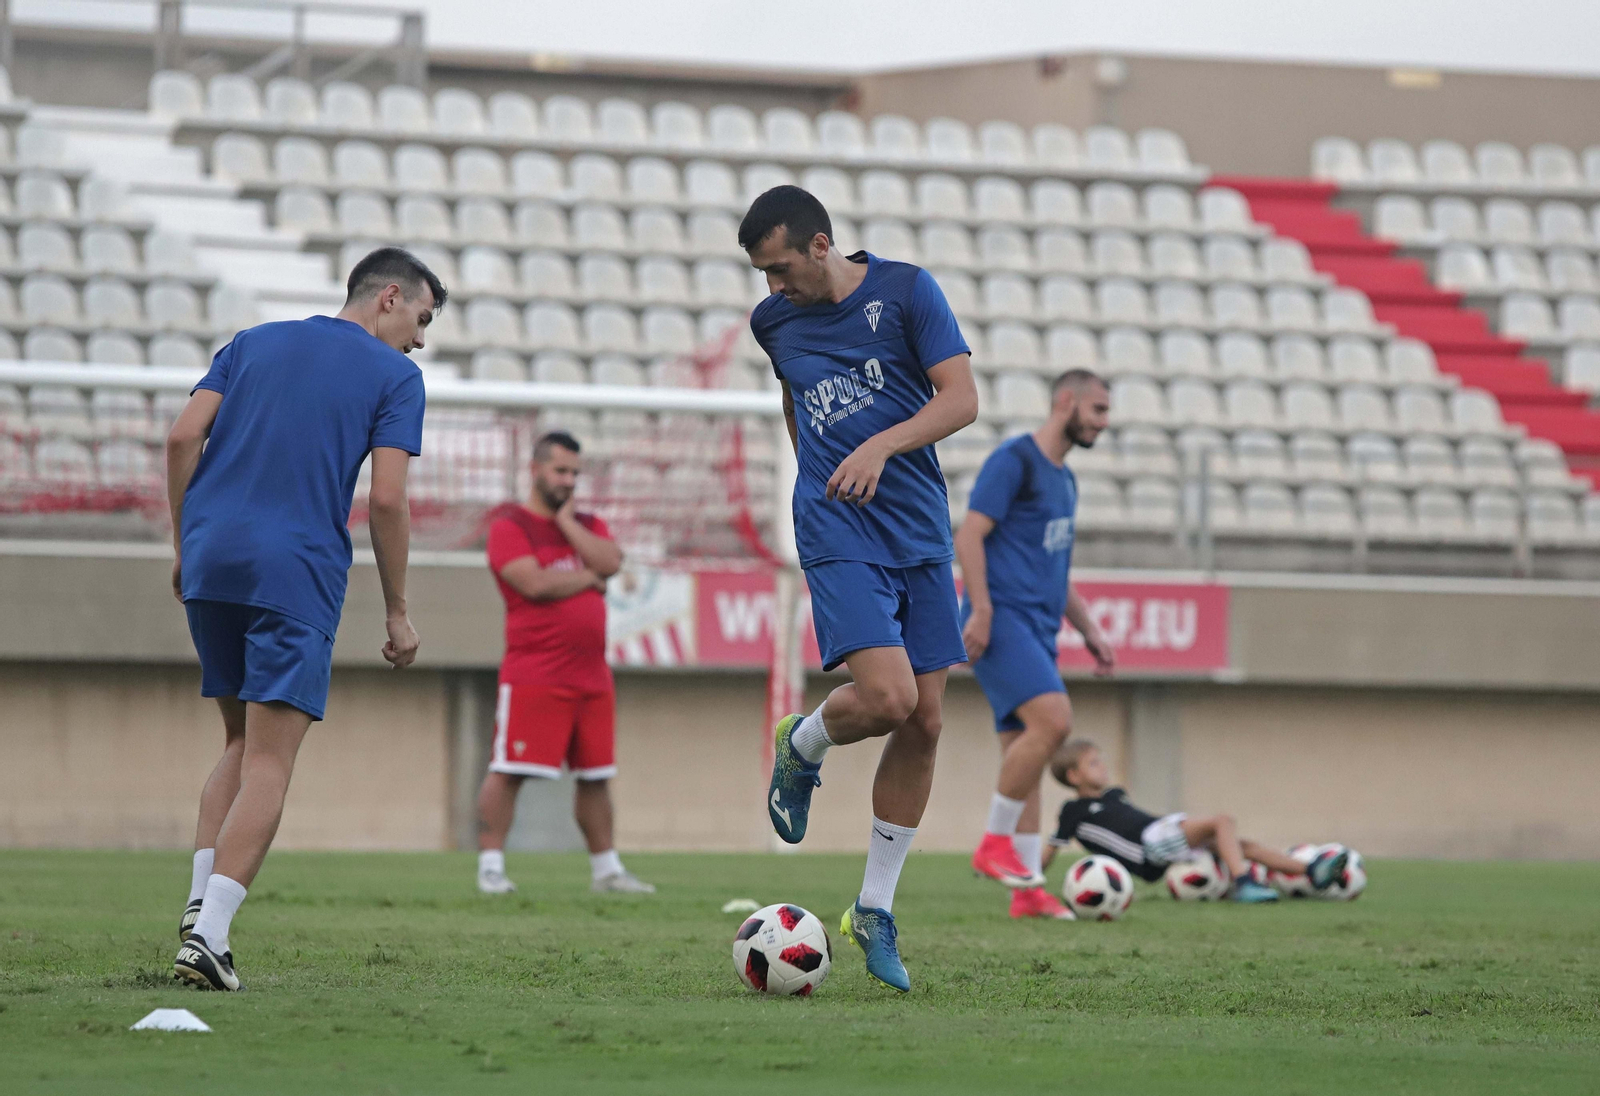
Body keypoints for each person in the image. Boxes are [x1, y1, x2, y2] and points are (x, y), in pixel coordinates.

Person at [168, 247, 441, 990]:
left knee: (234, 739)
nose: (420, 341)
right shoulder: (395, 377)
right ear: (390, 298)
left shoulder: (253, 341)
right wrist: (397, 610)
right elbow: (386, 500)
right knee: (269, 760)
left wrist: (183, 543)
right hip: (294, 569)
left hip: (211, 558)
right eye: (420, 320)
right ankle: (211, 936)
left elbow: (181, 436)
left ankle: (197, 912)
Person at [744, 185, 979, 992]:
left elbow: (961, 399)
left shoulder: (908, 292)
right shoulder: (772, 323)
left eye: (779, 269)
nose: (771, 290)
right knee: (887, 699)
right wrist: (821, 477)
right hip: (838, 527)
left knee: (927, 719)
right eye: (760, 275)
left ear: (820, 246)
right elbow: (793, 402)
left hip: (916, 526)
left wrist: (878, 446)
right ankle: (801, 746)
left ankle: (874, 907)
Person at [955, 370, 1115, 922]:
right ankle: (994, 843)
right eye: (1097, 409)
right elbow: (969, 534)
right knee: (1054, 720)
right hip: (1001, 621)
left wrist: (1089, 630)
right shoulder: (1015, 461)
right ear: (1065, 402)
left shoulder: (1066, 481)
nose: (1103, 422)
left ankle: (1027, 891)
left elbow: (1056, 567)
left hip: (1039, 629)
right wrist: (981, 609)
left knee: (1029, 748)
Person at [474, 431, 654, 896]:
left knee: (595, 777)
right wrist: (589, 578)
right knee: (509, 769)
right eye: (560, 470)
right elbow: (532, 584)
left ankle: (606, 872)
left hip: (592, 674)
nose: (569, 480)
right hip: (535, 672)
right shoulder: (509, 524)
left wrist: (570, 526)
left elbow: (611, 562)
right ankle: (491, 867)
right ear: (536, 469)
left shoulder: (588, 523)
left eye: (575, 472)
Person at [1044, 740, 1349, 901]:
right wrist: (1030, 879)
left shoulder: (1113, 795)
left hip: (1159, 834)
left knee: (1243, 845)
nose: (1103, 767)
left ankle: (1312, 871)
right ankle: (1243, 883)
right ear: (1074, 776)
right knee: (1222, 821)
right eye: (1093, 763)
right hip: (1149, 843)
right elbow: (1053, 846)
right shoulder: (1074, 811)